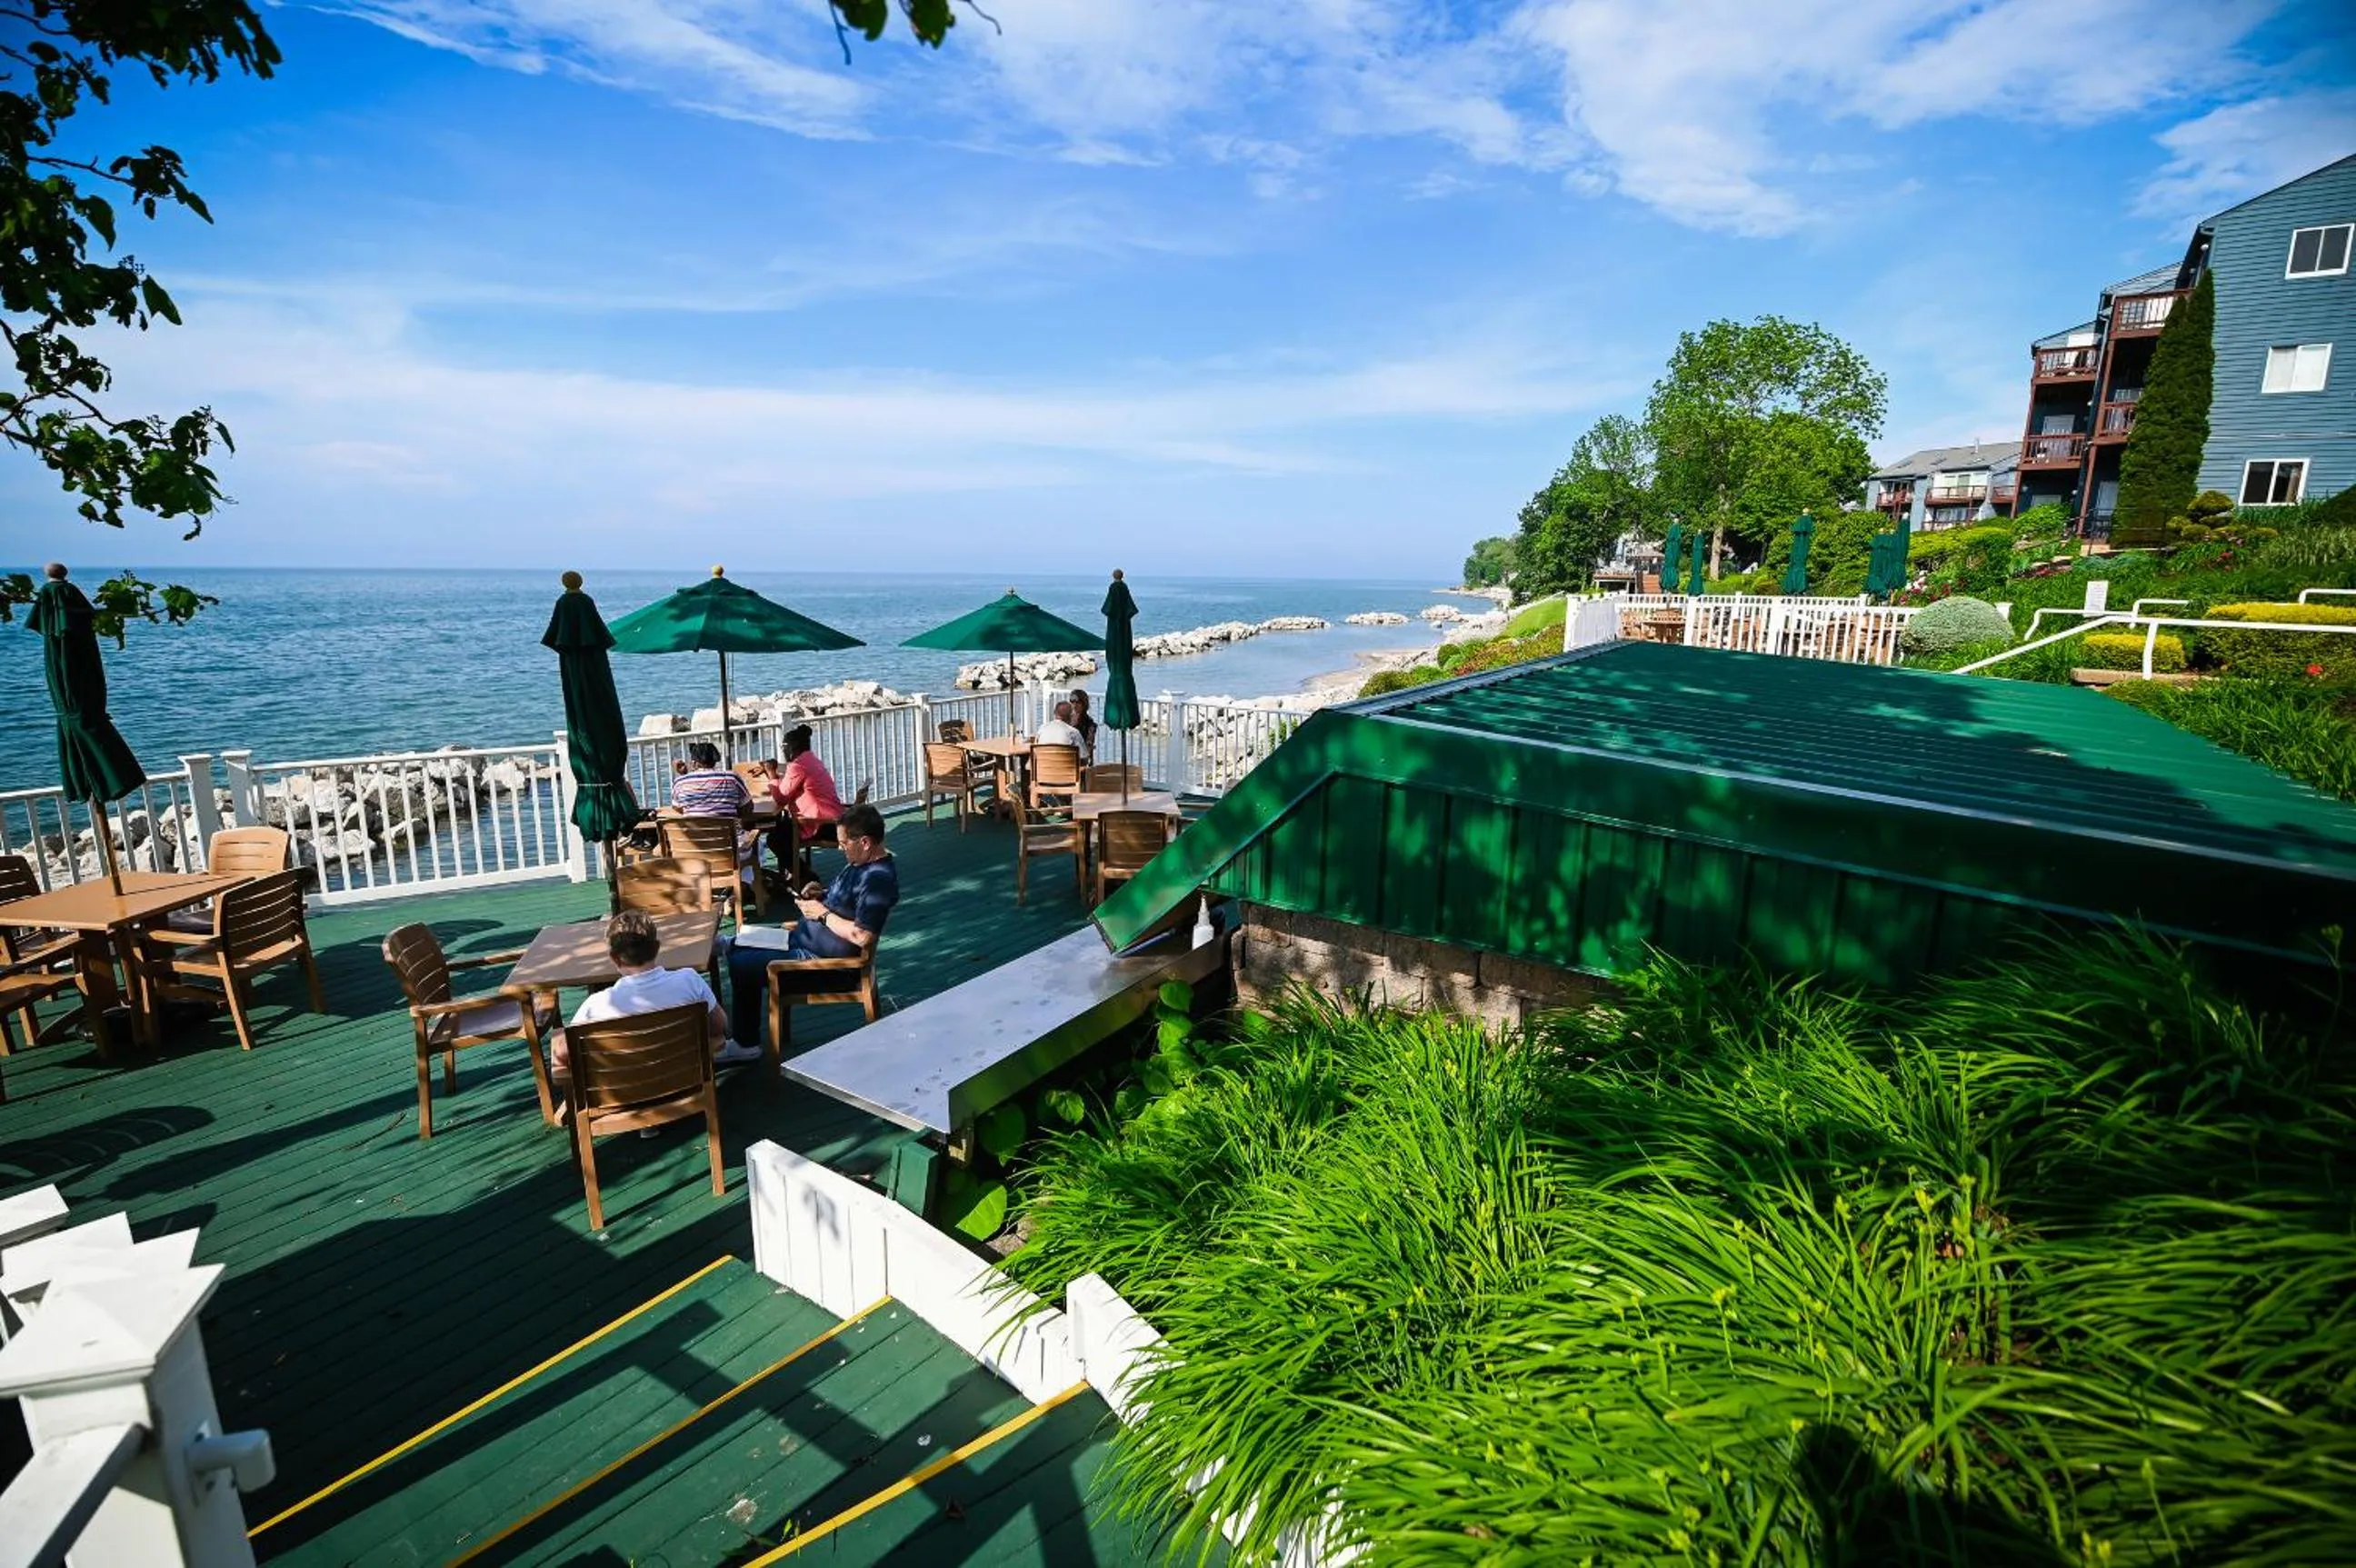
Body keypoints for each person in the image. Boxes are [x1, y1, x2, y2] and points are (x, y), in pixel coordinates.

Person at [726, 804, 897, 1048]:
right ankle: (730, 945)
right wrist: (823, 893)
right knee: (739, 945)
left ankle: (745, 1044)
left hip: (827, 969)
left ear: (866, 842)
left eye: (844, 843)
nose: (840, 848)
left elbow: (862, 936)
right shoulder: (861, 865)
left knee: (740, 963)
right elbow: (849, 902)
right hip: (802, 942)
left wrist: (822, 913)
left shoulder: (878, 879)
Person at [551, 910, 761, 1074]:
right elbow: (719, 1025)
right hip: (683, 1077)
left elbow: (562, 1055)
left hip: (624, 1089)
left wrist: (558, 1037)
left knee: (559, 1038)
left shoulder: (596, 1005)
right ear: (657, 947)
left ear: (614, 958)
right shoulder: (689, 981)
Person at [764, 724, 843, 878]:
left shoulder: (798, 766)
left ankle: (805, 878)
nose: (783, 751)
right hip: (833, 818)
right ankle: (797, 874)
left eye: (783, 747)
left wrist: (772, 774)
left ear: (792, 748)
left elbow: (780, 798)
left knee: (775, 838)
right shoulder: (811, 760)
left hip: (818, 824)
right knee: (780, 830)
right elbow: (790, 784)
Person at [670, 741, 751, 818]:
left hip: (694, 831)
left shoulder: (680, 782)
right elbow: (748, 807)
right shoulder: (731, 778)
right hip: (728, 831)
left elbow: (677, 807)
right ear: (715, 760)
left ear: (694, 762)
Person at [1066, 689, 1099, 762]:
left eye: (1078, 702)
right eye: (1072, 701)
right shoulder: (1065, 720)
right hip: (1065, 757)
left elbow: (1089, 746)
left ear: (1084, 704)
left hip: (1080, 760)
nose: (1074, 705)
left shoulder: (1090, 724)